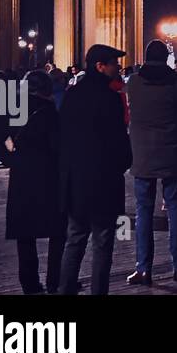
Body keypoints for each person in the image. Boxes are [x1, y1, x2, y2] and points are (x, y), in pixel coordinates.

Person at [59, 45, 132, 295]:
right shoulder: (109, 98)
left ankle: (65, 289)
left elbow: (62, 139)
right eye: (114, 63)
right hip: (104, 182)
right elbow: (119, 141)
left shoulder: (71, 95)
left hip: (76, 181)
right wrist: (123, 163)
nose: (118, 67)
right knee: (102, 243)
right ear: (100, 66)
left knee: (75, 239)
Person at [126, 40, 177, 285]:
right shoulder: (175, 83)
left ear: (145, 56)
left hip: (142, 154)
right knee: (176, 208)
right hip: (172, 151)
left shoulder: (133, 82)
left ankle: (143, 267)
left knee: (143, 211)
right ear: (166, 56)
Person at [5, 70, 66, 294]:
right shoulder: (50, 111)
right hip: (48, 174)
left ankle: (29, 283)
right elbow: (57, 144)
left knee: (25, 232)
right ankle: (55, 279)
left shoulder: (16, 109)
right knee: (58, 230)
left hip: (22, 174)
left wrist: (10, 158)